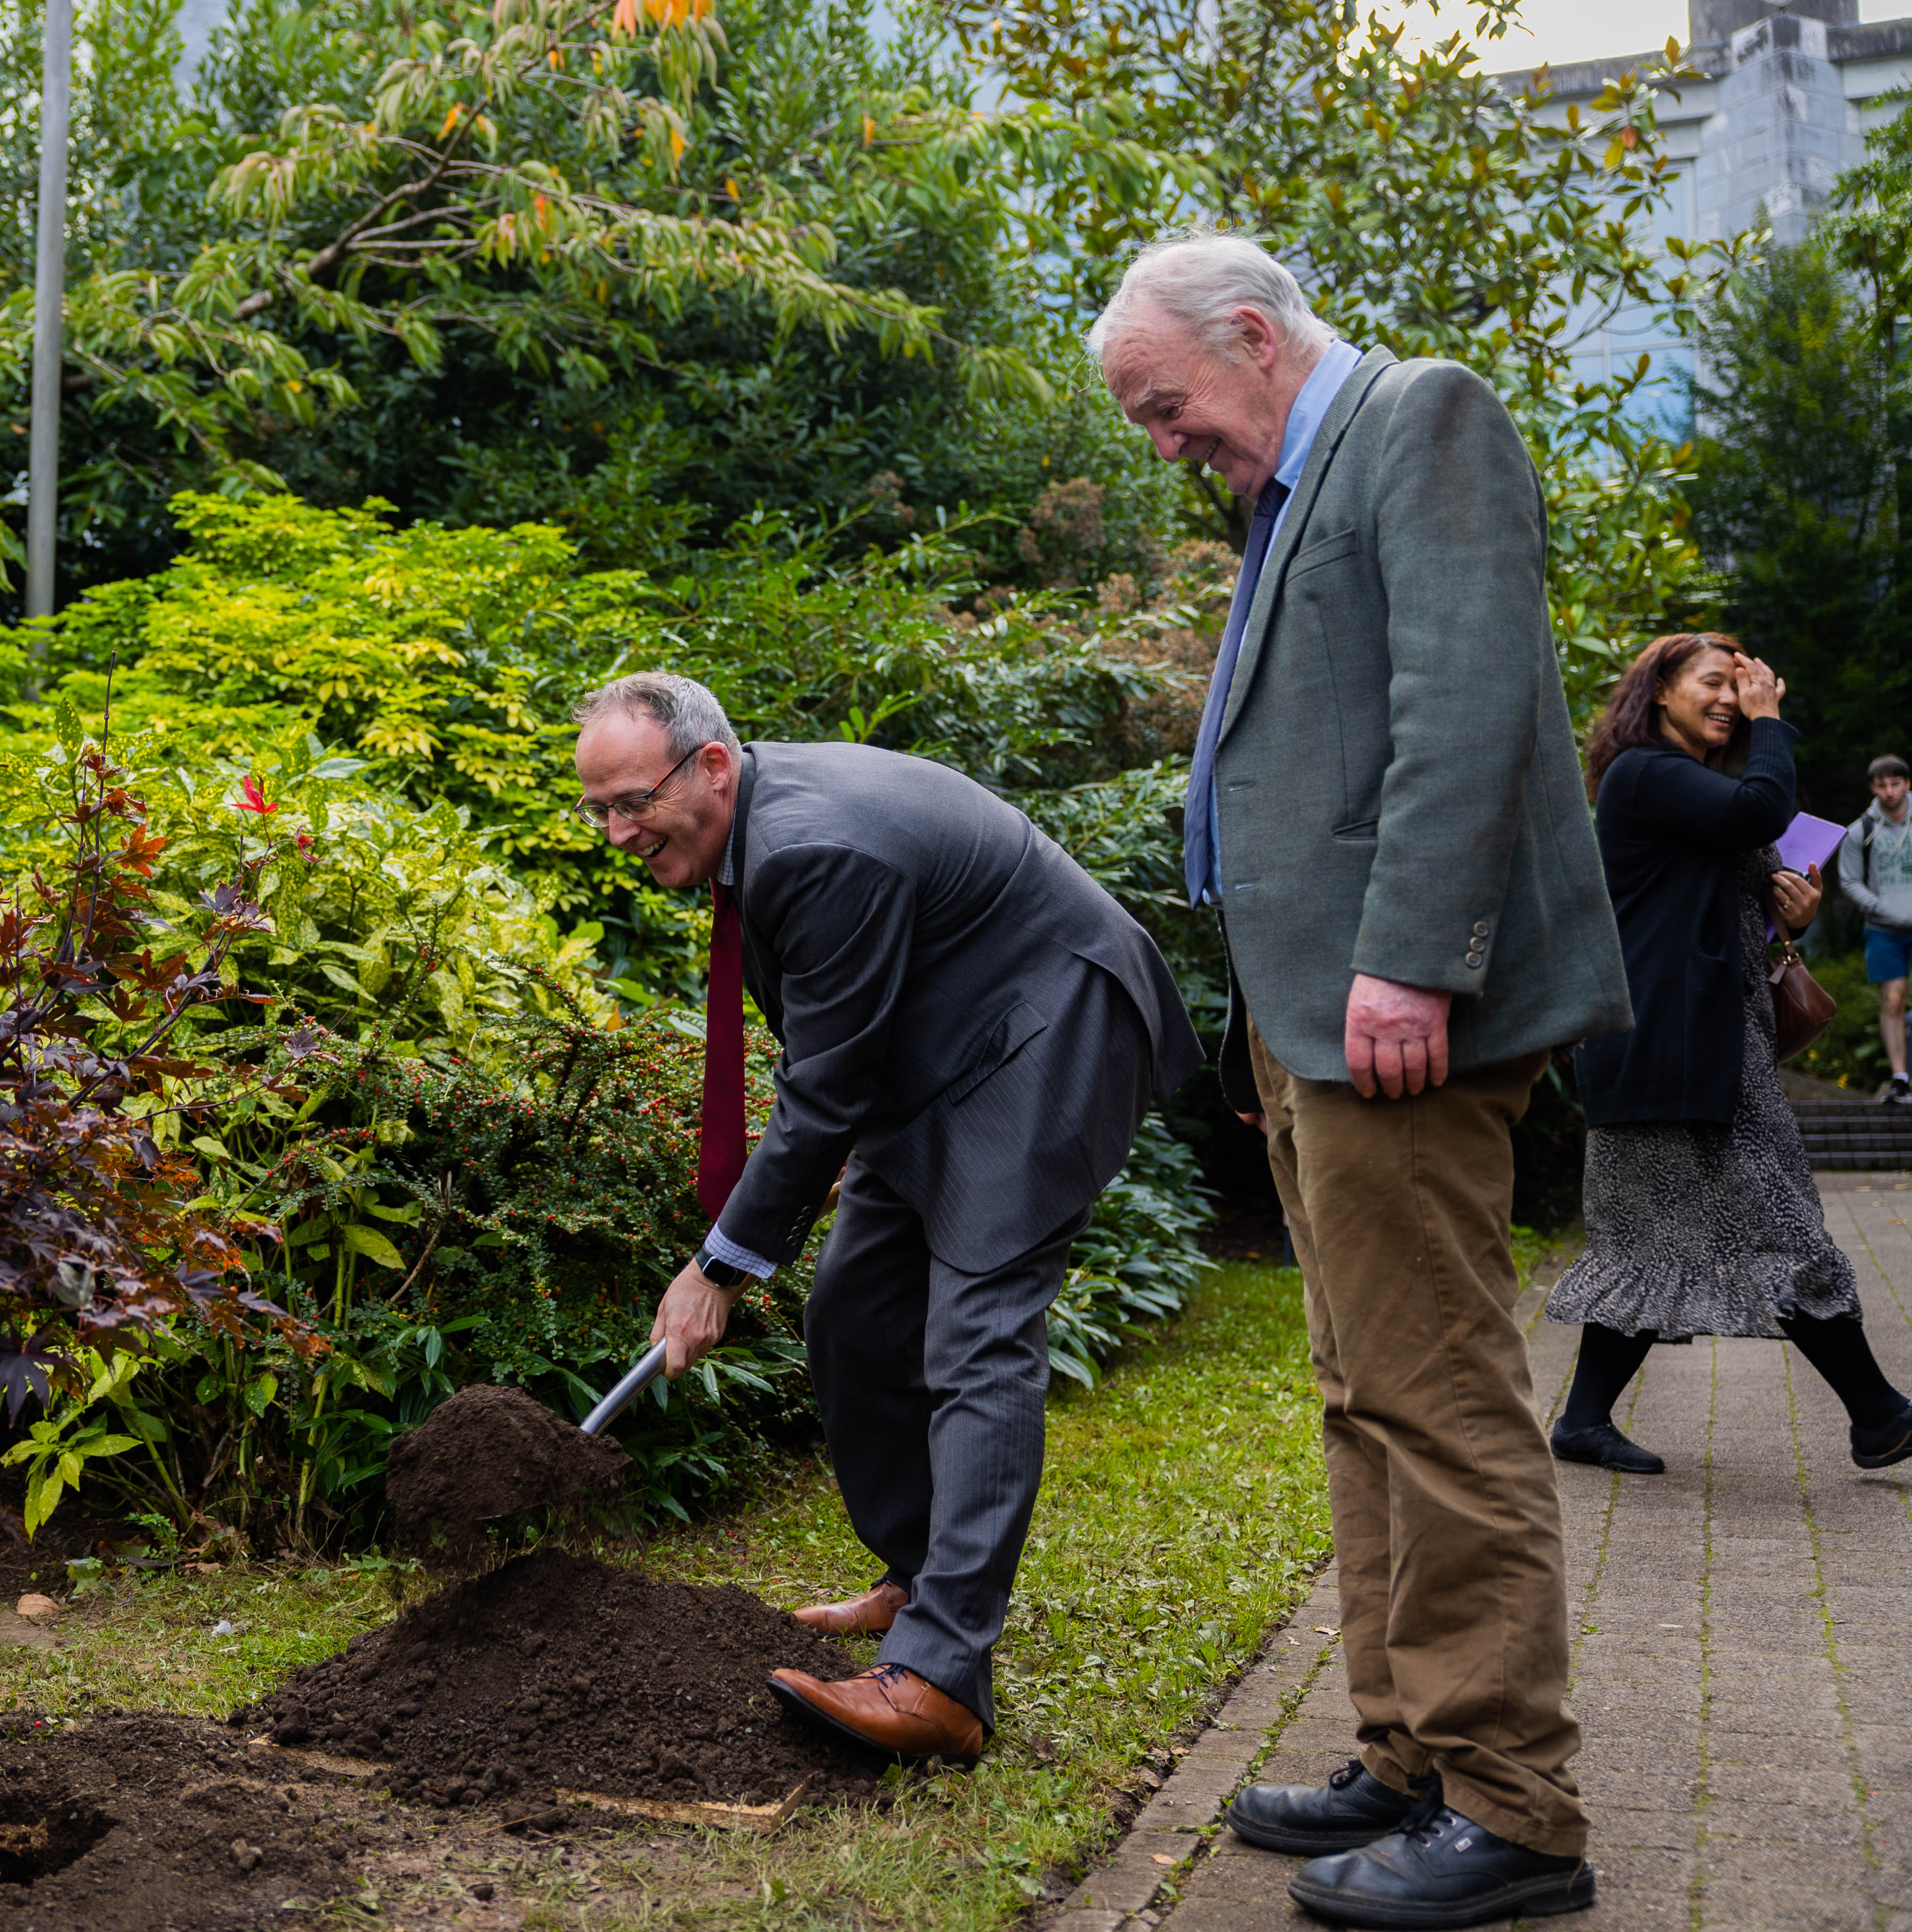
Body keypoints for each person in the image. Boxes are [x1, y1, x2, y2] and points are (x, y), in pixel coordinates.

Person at [1092, 230, 1631, 1930]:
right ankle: (1408, 1751)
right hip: (1319, 1010)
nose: (1165, 444)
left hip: (1404, 997)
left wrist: (1410, 955)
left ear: (1253, 337)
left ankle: (1518, 1810)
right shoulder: (1296, 478)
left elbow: (1466, 706)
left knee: (1442, 1395)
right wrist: (1293, 1003)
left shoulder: (1423, 418)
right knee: (1361, 1388)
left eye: (1169, 405)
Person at [569, 670, 1202, 1765]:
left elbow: (825, 1089)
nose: (620, 830)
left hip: (1046, 1034)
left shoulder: (814, 847)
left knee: (978, 1336)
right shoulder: (760, 820)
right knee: (854, 1313)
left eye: (635, 802)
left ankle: (945, 1676)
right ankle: (919, 1583)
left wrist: (717, 1269)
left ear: (711, 766)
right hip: (943, 1052)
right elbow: (836, 1053)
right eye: (600, 809)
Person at [1545, 638, 1912, 1474]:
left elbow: (1724, 904)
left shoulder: (1699, 791)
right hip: (1665, 1053)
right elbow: (1759, 813)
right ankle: (1881, 1415)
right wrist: (1772, 719)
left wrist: (1799, 913)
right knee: (1780, 1229)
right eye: (1714, 683)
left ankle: (1582, 1423)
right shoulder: (1644, 774)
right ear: (1660, 693)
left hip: (1705, 1048)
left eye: (1742, 687)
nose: (1731, 700)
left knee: (1647, 1244)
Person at [1835, 753, 1912, 1104]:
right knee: (1893, 1000)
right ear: (1873, 788)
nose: (1890, 791)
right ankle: (1900, 1079)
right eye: (1882, 785)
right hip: (1884, 928)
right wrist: (1885, 909)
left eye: (1896, 783)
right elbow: (1849, 881)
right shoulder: (1860, 830)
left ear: (1907, 784)